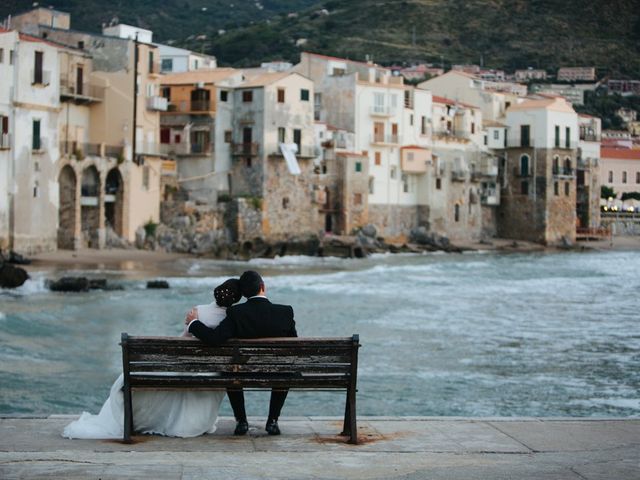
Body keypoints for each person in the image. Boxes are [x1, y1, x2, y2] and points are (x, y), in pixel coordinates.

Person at [62, 279, 241, 439]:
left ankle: (143, 420)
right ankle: (192, 424)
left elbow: (182, 341)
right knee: (196, 375)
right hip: (212, 374)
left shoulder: (198, 312)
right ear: (237, 299)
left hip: (189, 367)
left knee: (152, 377)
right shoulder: (235, 319)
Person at [186, 270, 297, 436]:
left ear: (244, 294)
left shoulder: (236, 313)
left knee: (231, 370)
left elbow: (215, 339)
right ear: (263, 287)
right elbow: (294, 345)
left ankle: (241, 421)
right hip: (276, 371)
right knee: (285, 368)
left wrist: (193, 322)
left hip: (241, 372)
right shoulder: (285, 312)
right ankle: (272, 421)